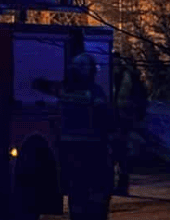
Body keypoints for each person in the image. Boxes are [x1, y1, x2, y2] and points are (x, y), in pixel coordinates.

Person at [35, 51, 114, 220]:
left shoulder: (63, 90)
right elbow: (105, 117)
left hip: (69, 149)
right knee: (96, 191)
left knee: (76, 190)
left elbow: (41, 85)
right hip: (93, 148)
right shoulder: (95, 92)